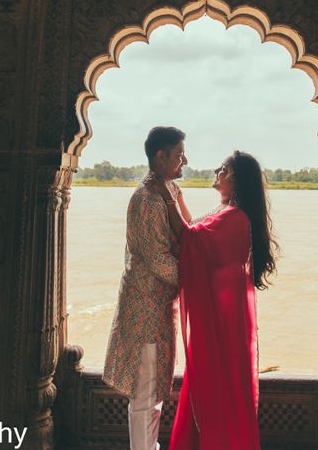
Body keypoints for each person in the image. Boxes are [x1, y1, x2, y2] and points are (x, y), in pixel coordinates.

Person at [150, 150, 278, 450]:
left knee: (215, 384)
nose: (216, 171)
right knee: (213, 384)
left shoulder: (234, 217)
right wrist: (176, 196)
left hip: (222, 319)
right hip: (223, 314)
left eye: (222, 168)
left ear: (236, 179)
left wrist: (166, 195)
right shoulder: (228, 213)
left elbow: (190, 239)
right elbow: (194, 230)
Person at [103, 126, 192, 450]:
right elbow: (157, 258)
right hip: (145, 308)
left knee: (152, 389)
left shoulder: (165, 191)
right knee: (145, 391)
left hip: (157, 306)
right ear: (161, 156)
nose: (185, 160)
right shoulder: (147, 199)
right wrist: (196, 283)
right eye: (179, 154)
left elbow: (187, 233)